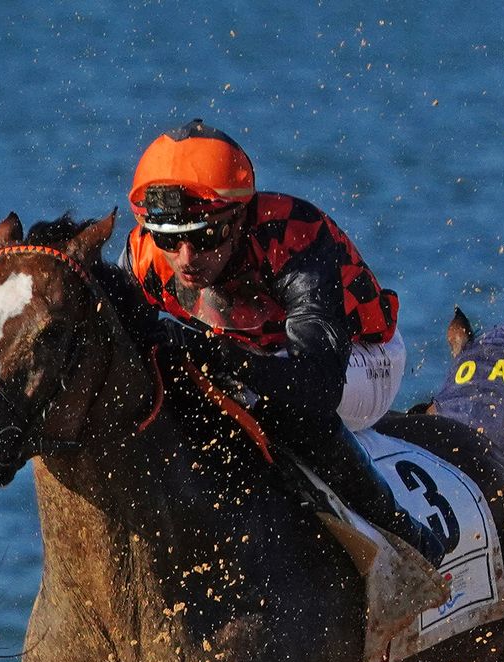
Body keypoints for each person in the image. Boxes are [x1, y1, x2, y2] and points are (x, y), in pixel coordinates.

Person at [121, 119, 445, 566]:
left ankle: (406, 536)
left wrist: (219, 354)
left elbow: (317, 388)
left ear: (238, 219)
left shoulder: (294, 234)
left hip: (362, 360)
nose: (186, 259)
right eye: (169, 240)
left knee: (273, 403)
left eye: (204, 237)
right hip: (257, 356)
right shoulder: (142, 258)